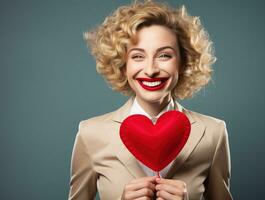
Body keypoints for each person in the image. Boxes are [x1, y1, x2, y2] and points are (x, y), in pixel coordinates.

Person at [68, 1, 232, 200]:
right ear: (123, 65)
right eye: (138, 56)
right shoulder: (90, 134)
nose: (151, 70)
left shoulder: (214, 133)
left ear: (183, 62)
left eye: (164, 55)